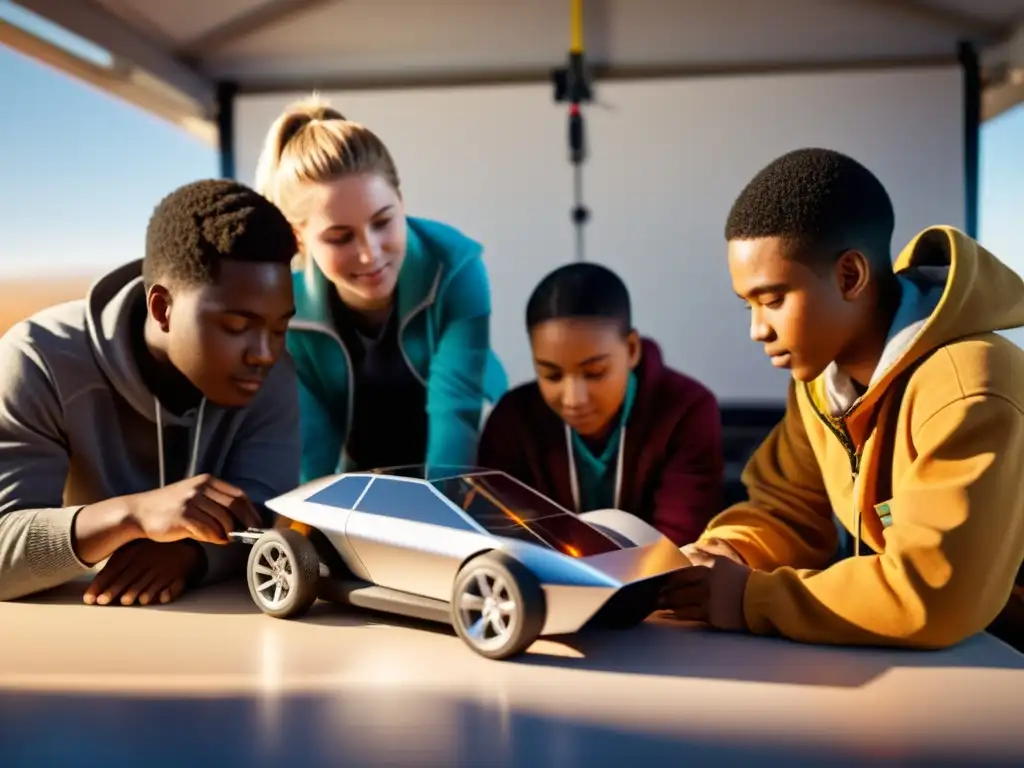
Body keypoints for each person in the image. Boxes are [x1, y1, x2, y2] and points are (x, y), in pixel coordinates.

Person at [660, 147, 1024, 651]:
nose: (756, 330)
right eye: (747, 304)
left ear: (850, 276)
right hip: (944, 662)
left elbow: (936, 595)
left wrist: (745, 597)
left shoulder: (970, 383)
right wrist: (724, 554)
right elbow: (787, 510)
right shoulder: (818, 384)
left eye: (773, 300)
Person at [0, 179, 301, 606]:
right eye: (237, 327)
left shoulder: (273, 374)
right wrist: (134, 516)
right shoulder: (37, 360)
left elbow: (265, 520)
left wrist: (190, 551)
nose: (266, 354)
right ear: (162, 309)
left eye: (279, 327)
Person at [254, 96, 507, 482]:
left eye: (383, 222)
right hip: (366, 459)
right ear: (299, 238)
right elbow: (314, 449)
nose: (370, 254)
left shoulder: (456, 268)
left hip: (475, 445)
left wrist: (442, 524)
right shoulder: (283, 307)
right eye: (340, 238)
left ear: (401, 202)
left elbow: (457, 413)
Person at [478, 262, 723, 546]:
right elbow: (500, 537)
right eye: (551, 374)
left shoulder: (688, 409)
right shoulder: (512, 420)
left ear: (631, 349)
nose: (573, 399)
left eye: (594, 373)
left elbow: (679, 547)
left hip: (659, 586)